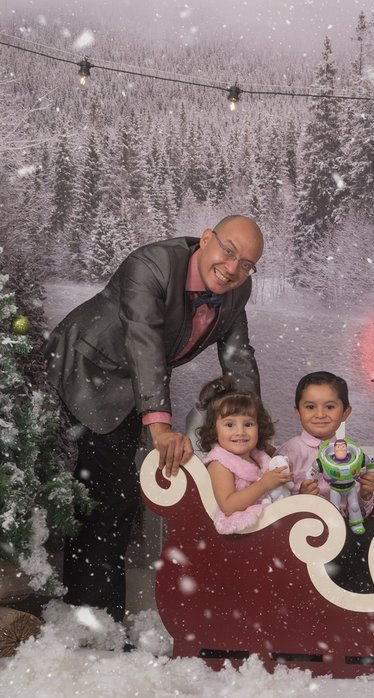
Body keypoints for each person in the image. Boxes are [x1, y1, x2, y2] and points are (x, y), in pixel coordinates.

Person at [45, 214, 263, 621]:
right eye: (228, 252)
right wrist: (160, 429)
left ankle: (90, 610)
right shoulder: (150, 265)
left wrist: (256, 433)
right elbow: (144, 343)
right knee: (108, 491)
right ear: (205, 239)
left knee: (115, 495)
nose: (233, 268)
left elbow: (238, 356)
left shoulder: (237, 289)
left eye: (247, 264)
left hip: (134, 384)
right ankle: (94, 618)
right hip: (89, 369)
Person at [282, 371, 374, 592]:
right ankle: (346, 601)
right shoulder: (290, 452)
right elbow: (274, 502)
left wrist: (366, 494)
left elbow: (358, 511)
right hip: (307, 533)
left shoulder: (351, 453)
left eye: (329, 407)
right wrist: (300, 499)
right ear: (297, 411)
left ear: (345, 412)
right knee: (343, 553)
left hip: (347, 527)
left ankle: (364, 604)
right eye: (310, 407)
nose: (320, 414)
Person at [195, 376, 292, 534]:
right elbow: (228, 505)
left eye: (248, 424)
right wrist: (263, 485)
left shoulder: (259, 457)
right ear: (214, 429)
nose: (240, 432)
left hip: (270, 524)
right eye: (229, 424)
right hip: (244, 535)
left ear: (258, 427)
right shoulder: (219, 464)